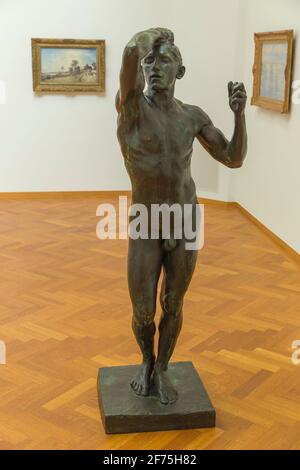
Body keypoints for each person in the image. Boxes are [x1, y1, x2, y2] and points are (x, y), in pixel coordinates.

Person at [116, 28, 247, 405]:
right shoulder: (131, 109)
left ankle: (162, 369)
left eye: (165, 60)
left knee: (173, 302)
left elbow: (233, 158)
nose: (155, 68)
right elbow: (129, 52)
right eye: (149, 61)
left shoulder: (192, 117)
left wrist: (239, 116)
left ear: (181, 70)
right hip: (146, 222)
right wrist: (153, 35)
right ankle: (145, 359)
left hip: (185, 221)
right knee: (143, 309)